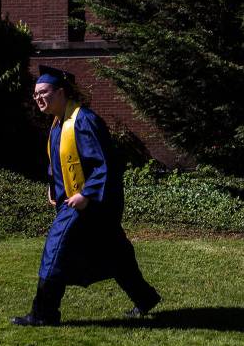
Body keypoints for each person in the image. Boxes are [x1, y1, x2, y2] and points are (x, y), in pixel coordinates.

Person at [11, 66, 161, 327]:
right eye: (35, 95)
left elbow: (105, 163)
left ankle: (44, 313)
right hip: (76, 201)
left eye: (43, 93)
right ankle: (145, 298)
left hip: (86, 204)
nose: (38, 99)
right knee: (115, 253)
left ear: (60, 92)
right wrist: (52, 186)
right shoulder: (58, 124)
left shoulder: (83, 120)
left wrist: (86, 195)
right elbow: (56, 162)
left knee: (54, 250)